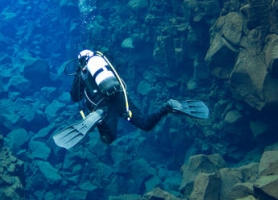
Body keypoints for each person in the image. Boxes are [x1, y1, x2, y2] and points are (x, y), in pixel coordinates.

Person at [53, 49, 209, 149]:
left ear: (80, 62)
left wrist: (79, 76)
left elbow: (75, 97)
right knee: (145, 124)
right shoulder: (105, 63)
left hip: (102, 106)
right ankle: (168, 106)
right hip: (121, 99)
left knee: (108, 138)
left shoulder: (83, 73)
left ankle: (99, 118)